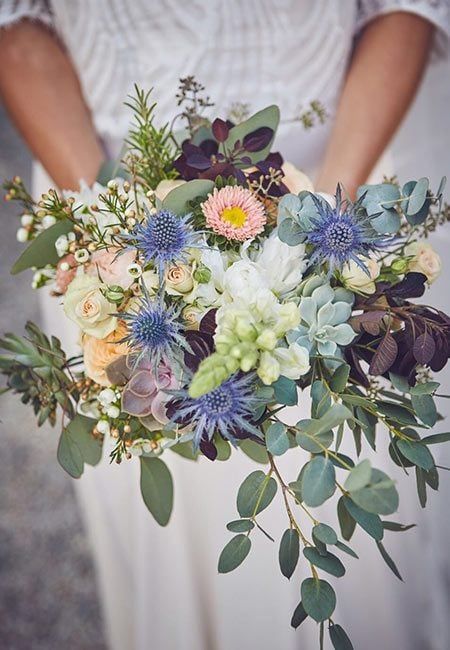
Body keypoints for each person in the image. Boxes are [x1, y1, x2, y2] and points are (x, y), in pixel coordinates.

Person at [0, 2, 449, 649]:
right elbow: (17, 21)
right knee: (171, 533)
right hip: (108, 205)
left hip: (330, 191)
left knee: (348, 490)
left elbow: (405, 8)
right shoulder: (113, 245)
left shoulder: (325, 225)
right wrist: (112, 232)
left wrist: (319, 228)